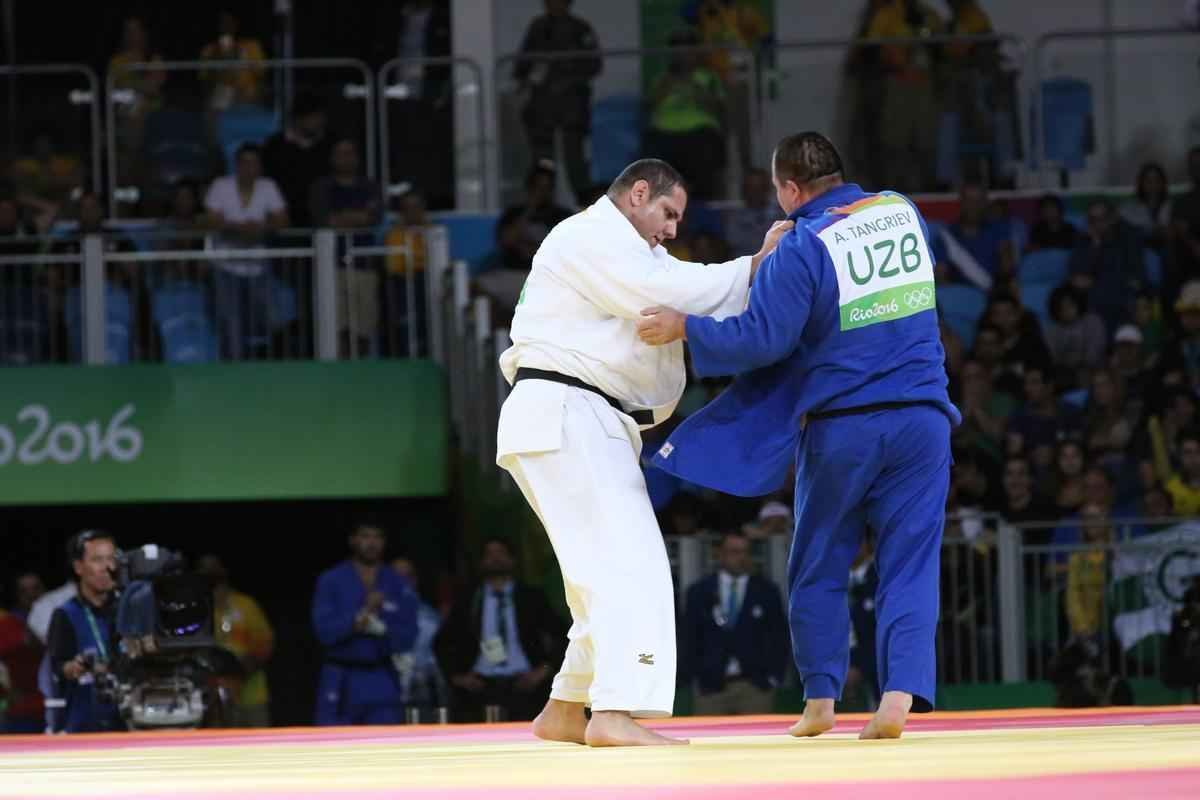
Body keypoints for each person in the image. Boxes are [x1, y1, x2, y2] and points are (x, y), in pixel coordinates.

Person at [638, 131, 960, 739]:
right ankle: (897, 698)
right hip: (923, 419)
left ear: (789, 188)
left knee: (819, 564)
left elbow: (762, 340)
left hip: (845, 425)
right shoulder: (900, 210)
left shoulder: (803, 245)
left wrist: (687, 326)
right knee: (910, 564)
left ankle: (820, 702)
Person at [495, 158, 791, 747]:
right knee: (632, 561)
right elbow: (669, 294)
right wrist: (753, 266)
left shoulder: (632, 258)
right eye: (667, 212)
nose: (673, 229)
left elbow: (672, 300)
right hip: (568, 412)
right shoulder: (589, 234)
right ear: (636, 194)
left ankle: (566, 706)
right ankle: (614, 711)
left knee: (594, 571)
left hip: (574, 419)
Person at [432, 539, 566, 722]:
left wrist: (544, 670)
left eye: (501, 553)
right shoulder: (468, 598)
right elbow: (442, 641)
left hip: (525, 684)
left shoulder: (530, 596)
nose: (495, 559)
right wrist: (457, 676)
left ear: (512, 559)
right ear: (481, 561)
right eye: (490, 554)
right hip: (479, 685)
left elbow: (563, 634)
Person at [311, 522, 419, 726]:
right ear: (353, 540)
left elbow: (409, 635)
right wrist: (356, 620)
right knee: (334, 746)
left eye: (377, 537)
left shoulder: (396, 582)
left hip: (382, 676)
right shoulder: (331, 580)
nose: (371, 543)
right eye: (365, 536)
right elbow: (323, 631)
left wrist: (385, 628)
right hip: (342, 676)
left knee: (385, 745)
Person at [680, 532, 788, 715]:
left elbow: (780, 636)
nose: (741, 557)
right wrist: (694, 677)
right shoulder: (699, 591)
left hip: (755, 687)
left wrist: (773, 678)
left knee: (757, 742)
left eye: (745, 552)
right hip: (710, 687)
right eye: (734, 552)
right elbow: (689, 637)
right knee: (707, 742)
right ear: (720, 554)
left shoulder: (767, 591)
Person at [203, 143, 290, 360]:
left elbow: (282, 220)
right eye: (245, 162)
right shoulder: (221, 185)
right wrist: (240, 229)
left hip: (258, 266)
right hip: (225, 265)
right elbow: (212, 220)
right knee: (230, 321)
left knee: (274, 317)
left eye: (254, 163)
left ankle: (278, 364)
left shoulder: (268, 186)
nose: (249, 167)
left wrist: (259, 228)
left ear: (260, 167)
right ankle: (232, 372)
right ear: (236, 165)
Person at [513, 0, 602, 202]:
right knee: (543, 161)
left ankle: (584, 204)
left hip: (572, 108)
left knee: (575, 160)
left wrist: (568, 79)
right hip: (541, 109)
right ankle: (543, 203)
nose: (553, 5)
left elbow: (594, 64)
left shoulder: (580, 28)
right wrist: (526, 80)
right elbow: (522, 64)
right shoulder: (538, 27)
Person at [46, 530, 122, 733]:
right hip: (85, 726)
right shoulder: (65, 614)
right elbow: (58, 668)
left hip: (131, 723)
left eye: (111, 559)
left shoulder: (128, 609)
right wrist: (77, 666)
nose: (107, 567)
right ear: (79, 567)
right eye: (97, 560)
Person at [195, 555, 274, 727]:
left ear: (224, 571)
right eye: (204, 569)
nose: (209, 574)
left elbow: (265, 644)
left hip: (252, 697)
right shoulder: (198, 612)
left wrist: (239, 673)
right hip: (213, 699)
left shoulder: (246, 605)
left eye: (214, 568)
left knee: (259, 749)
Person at [263, 93, 332, 230]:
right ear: (298, 118)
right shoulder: (275, 145)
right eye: (314, 117)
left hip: (322, 220)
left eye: (320, 117)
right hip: (283, 219)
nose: (319, 121)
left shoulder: (330, 144)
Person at [390, 557, 447, 716]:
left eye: (408, 576)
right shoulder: (375, 613)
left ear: (415, 580)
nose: (403, 581)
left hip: (422, 692)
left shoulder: (430, 616)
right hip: (384, 693)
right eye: (397, 576)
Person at [199, 10, 267, 111]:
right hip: (222, 93)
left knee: (250, 94)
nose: (226, 26)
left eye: (229, 22)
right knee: (216, 100)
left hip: (247, 91)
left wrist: (241, 54)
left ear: (236, 24)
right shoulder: (209, 50)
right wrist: (218, 55)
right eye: (222, 23)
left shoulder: (252, 46)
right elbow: (204, 80)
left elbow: (261, 74)